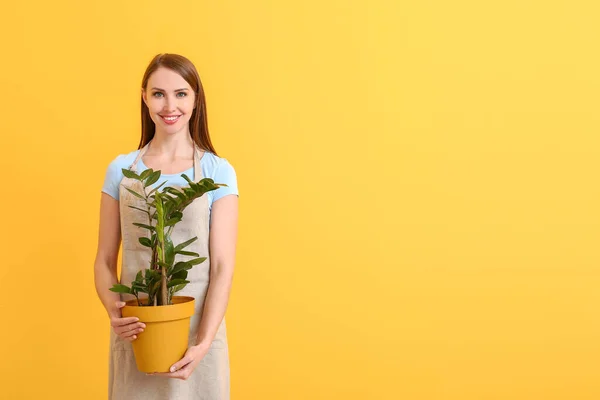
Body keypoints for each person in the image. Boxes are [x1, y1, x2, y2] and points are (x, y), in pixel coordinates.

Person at [93, 53, 239, 400]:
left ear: (195, 99)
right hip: (138, 332)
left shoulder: (218, 172)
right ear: (144, 97)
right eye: (158, 94)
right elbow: (103, 258)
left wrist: (202, 344)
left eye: (181, 93)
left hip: (198, 333)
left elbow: (221, 267)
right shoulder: (121, 170)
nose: (169, 105)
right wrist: (116, 313)